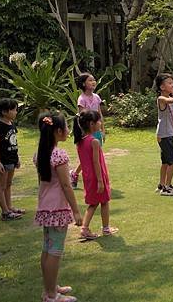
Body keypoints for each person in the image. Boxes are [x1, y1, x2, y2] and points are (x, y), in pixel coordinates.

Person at [34, 112, 82, 302]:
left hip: (45, 206)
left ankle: (50, 287)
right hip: (57, 208)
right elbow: (65, 185)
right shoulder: (59, 154)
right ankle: (52, 295)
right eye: (66, 127)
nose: (68, 131)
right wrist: (76, 210)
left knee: (47, 248)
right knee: (55, 251)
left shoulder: (41, 153)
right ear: (58, 131)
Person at [73, 109, 117, 239]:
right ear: (91, 124)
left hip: (88, 177)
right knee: (104, 201)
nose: (100, 123)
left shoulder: (80, 141)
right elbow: (96, 163)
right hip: (97, 177)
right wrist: (100, 180)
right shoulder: (94, 142)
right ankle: (104, 229)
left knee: (94, 203)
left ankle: (86, 228)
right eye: (98, 121)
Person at [70, 73, 105, 189]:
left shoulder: (96, 97)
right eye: (90, 80)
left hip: (97, 131)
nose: (93, 82)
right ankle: (75, 174)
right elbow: (82, 117)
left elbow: (100, 115)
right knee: (87, 157)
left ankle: (96, 178)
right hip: (86, 133)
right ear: (84, 84)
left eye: (94, 79)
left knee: (96, 155)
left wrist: (102, 130)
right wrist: (86, 132)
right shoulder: (82, 99)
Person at [0, 98, 24, 221]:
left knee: (9, 184)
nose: (16, 112)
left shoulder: (11, 123)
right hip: (4, 161)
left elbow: (14, 141)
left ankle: (9, 207)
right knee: (1, 186)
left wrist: (17, 158)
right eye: (14, 110)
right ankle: (5, 212)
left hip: (12, 159)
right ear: (5, 112)